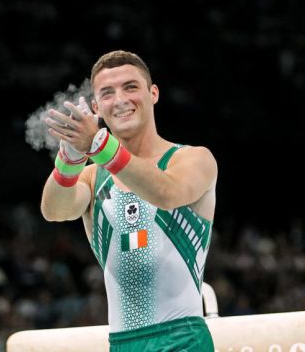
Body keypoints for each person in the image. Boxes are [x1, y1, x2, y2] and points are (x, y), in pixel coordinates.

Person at [40, 50, 217, 352]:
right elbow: (54, 210)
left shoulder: (192, 159)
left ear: (154, 93)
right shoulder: (93, 177)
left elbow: (167, 193)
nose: (120, 99)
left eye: (130, 87)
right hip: (121, 345)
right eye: (107, 93)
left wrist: (99, 144)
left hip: (183, 340)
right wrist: (69, 160)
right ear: (96, 107)